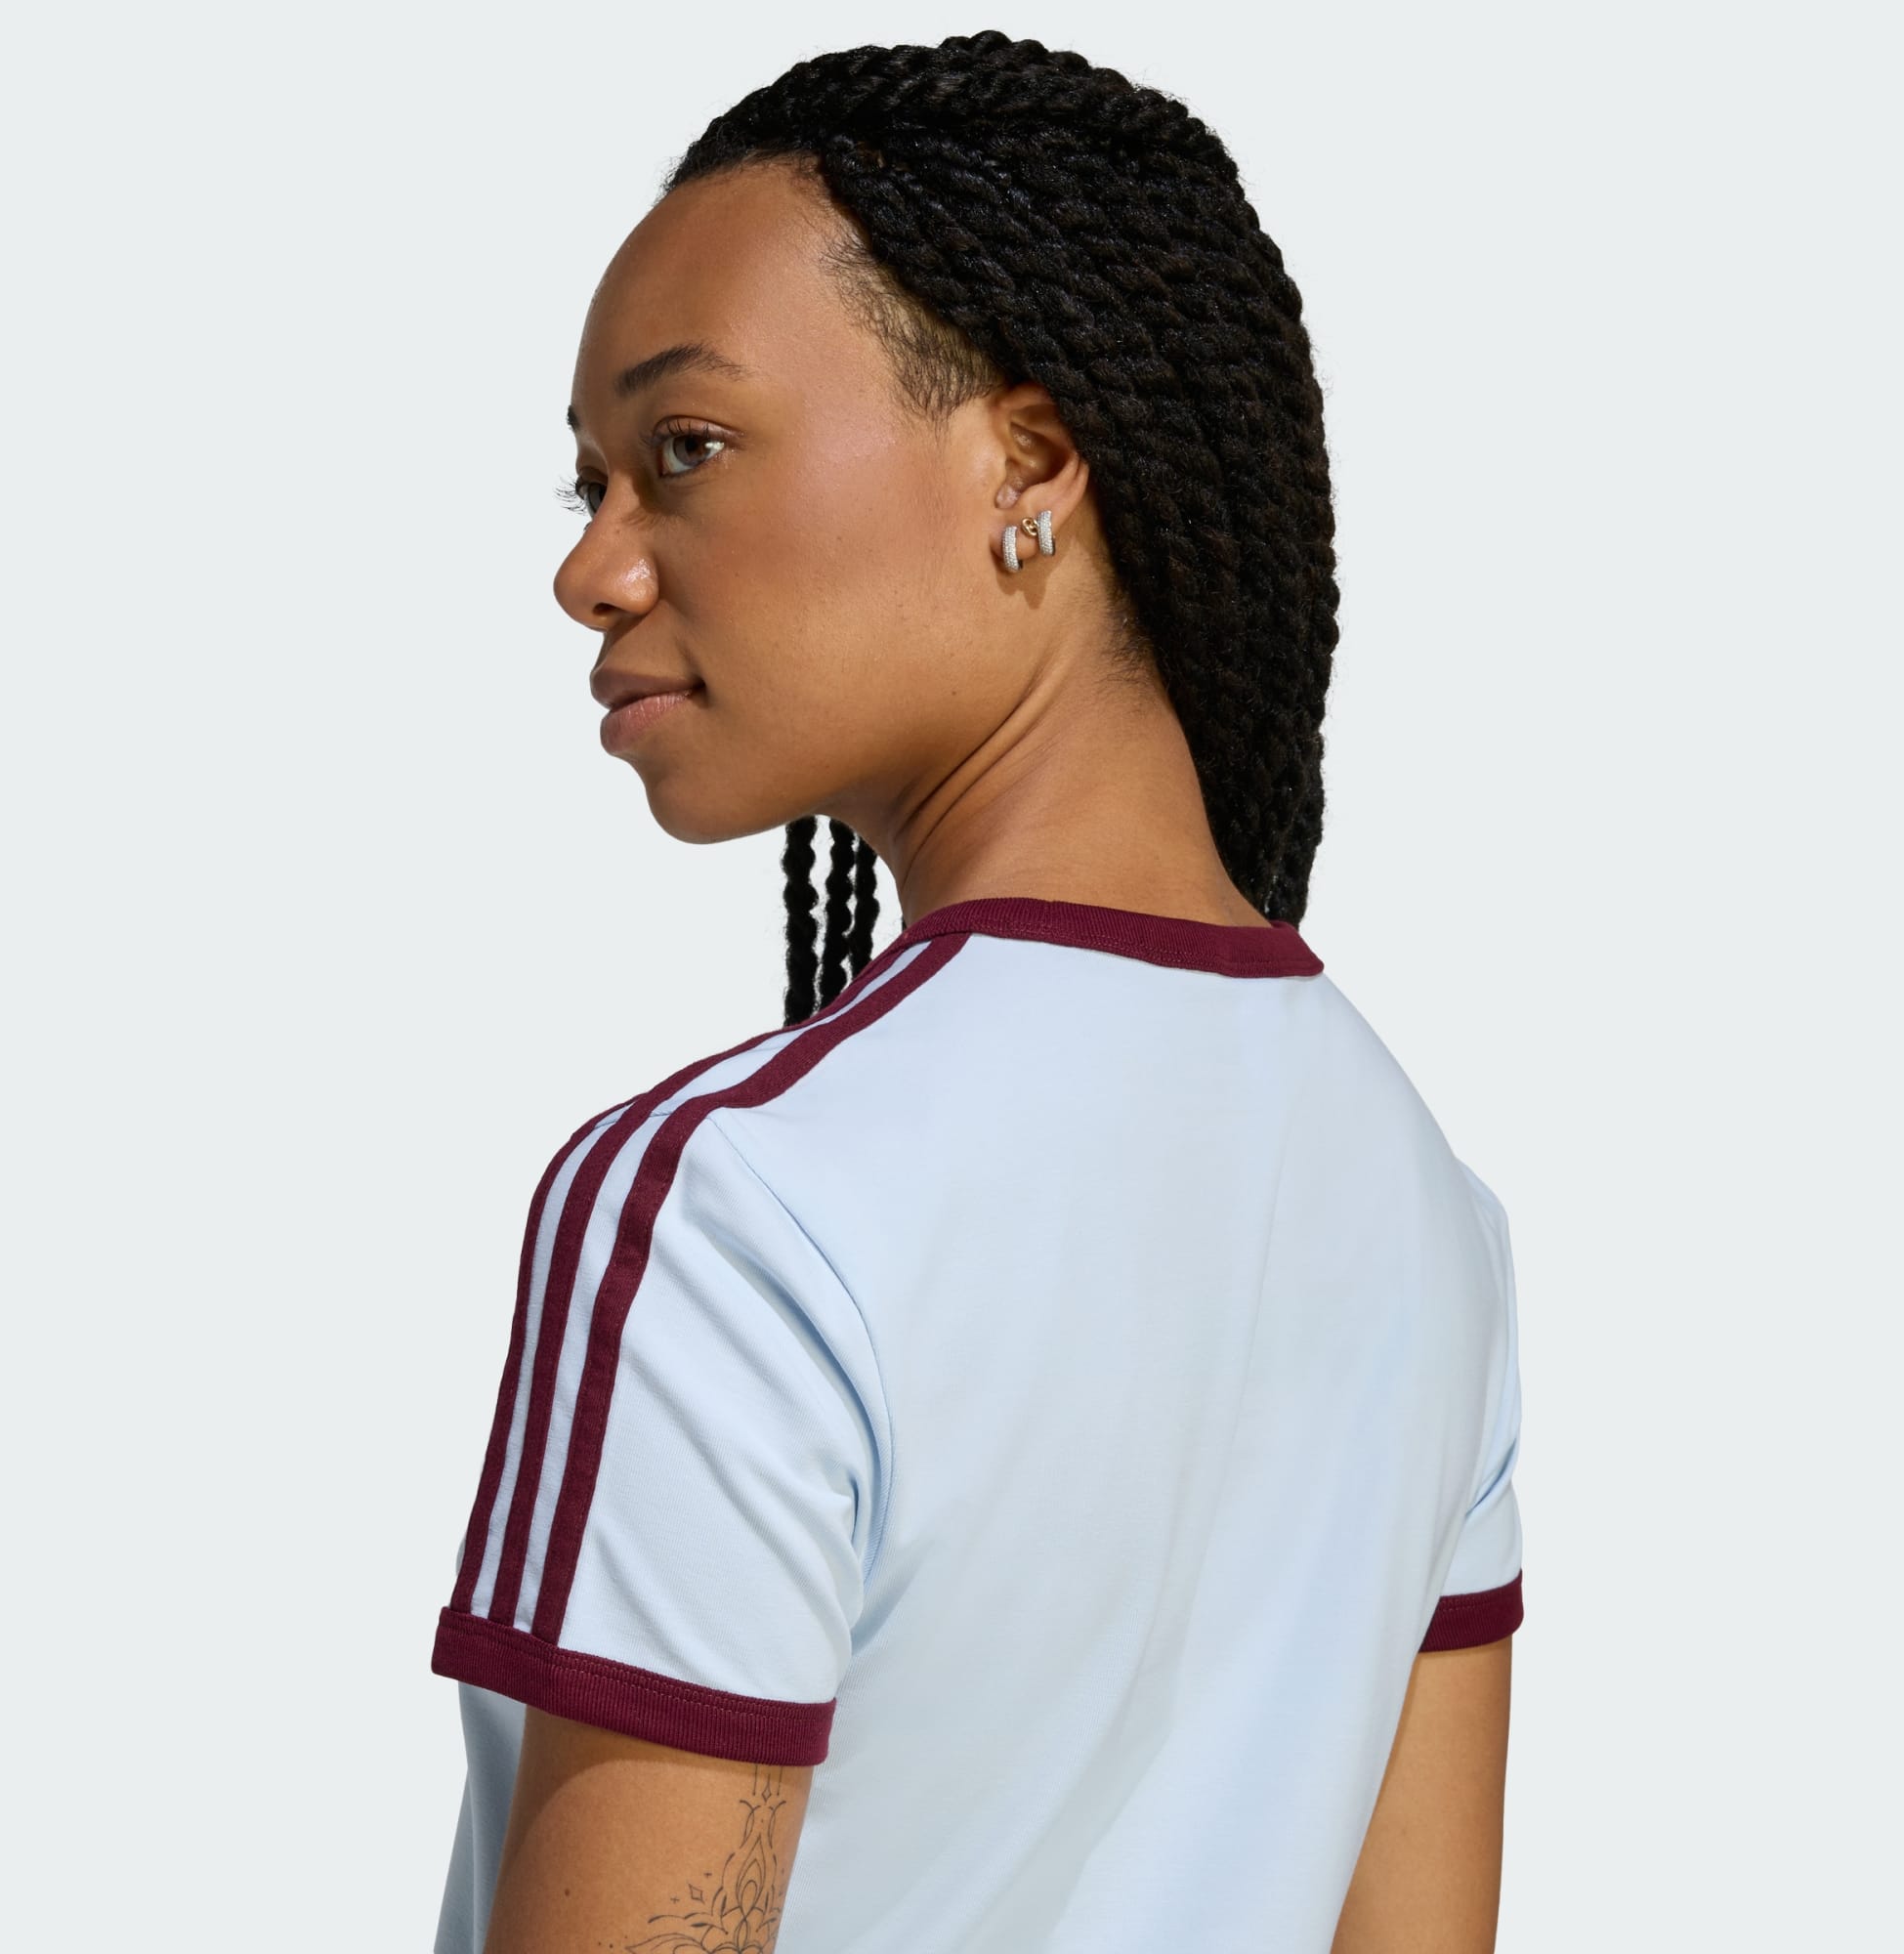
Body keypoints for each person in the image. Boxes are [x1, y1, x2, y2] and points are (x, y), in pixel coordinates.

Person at [429, 29, 1524, 1954]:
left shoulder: (730, 1210)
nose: (591, 569)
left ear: (1025, 460)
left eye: (685, 450)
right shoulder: (1424, 1212)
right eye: (588, 481)